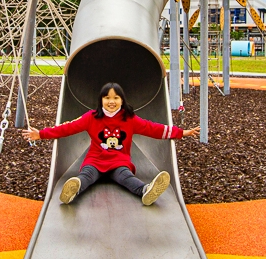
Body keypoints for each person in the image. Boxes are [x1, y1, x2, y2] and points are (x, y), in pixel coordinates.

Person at [22, 82, 200, 206]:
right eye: (107, 98)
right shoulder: (91, 117)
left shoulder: (129, 119)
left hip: (118, 161)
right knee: (87, 175)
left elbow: (152, 128)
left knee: (125, 177)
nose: (111, 102)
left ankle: (146, 191)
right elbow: (68, 128)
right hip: (95, 160)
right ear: (101, 100)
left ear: (122, 100)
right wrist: (41, 134)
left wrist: (181, 133)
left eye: (116, 98)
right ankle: (73, 188)